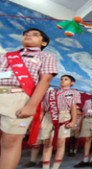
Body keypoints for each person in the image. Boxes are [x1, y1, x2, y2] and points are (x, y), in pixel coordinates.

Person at [0, 28, 57, 169]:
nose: (28, 36)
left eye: (34, 35)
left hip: (19, 97)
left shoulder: (46, 56)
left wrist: (31, 106)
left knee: (11, 141)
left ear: (43, 42)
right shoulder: (7, 55)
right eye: (26, 34)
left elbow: (45, 80)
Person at [41, 75, 81, 169]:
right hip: (49, 116)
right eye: (61, 79)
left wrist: (73, 121)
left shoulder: (73, 92)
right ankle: (45, 166)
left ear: (72, 82)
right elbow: (44, 107)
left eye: (66, 79)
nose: (63, 81)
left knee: (61, 142)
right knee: (47, 141)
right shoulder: (51, 92)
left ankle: (56, 166)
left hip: (64, 116)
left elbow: (73, 108)